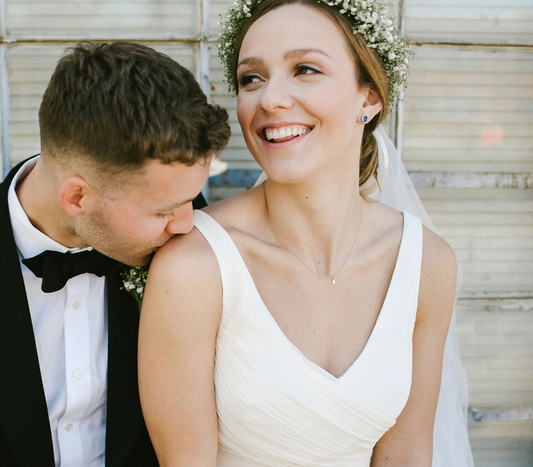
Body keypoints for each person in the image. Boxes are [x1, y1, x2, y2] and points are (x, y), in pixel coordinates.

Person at [0, 41, 230, 466]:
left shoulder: (194, 251)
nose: (187, 223)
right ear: (77, 197)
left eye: (190, 198)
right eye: (163, 210)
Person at [138, 0, 473, 465]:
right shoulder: (195, 266)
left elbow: (408, 451)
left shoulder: (427, 263)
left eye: (306, 69)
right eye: (251, 78)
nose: (270, 99)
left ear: (369, 98)